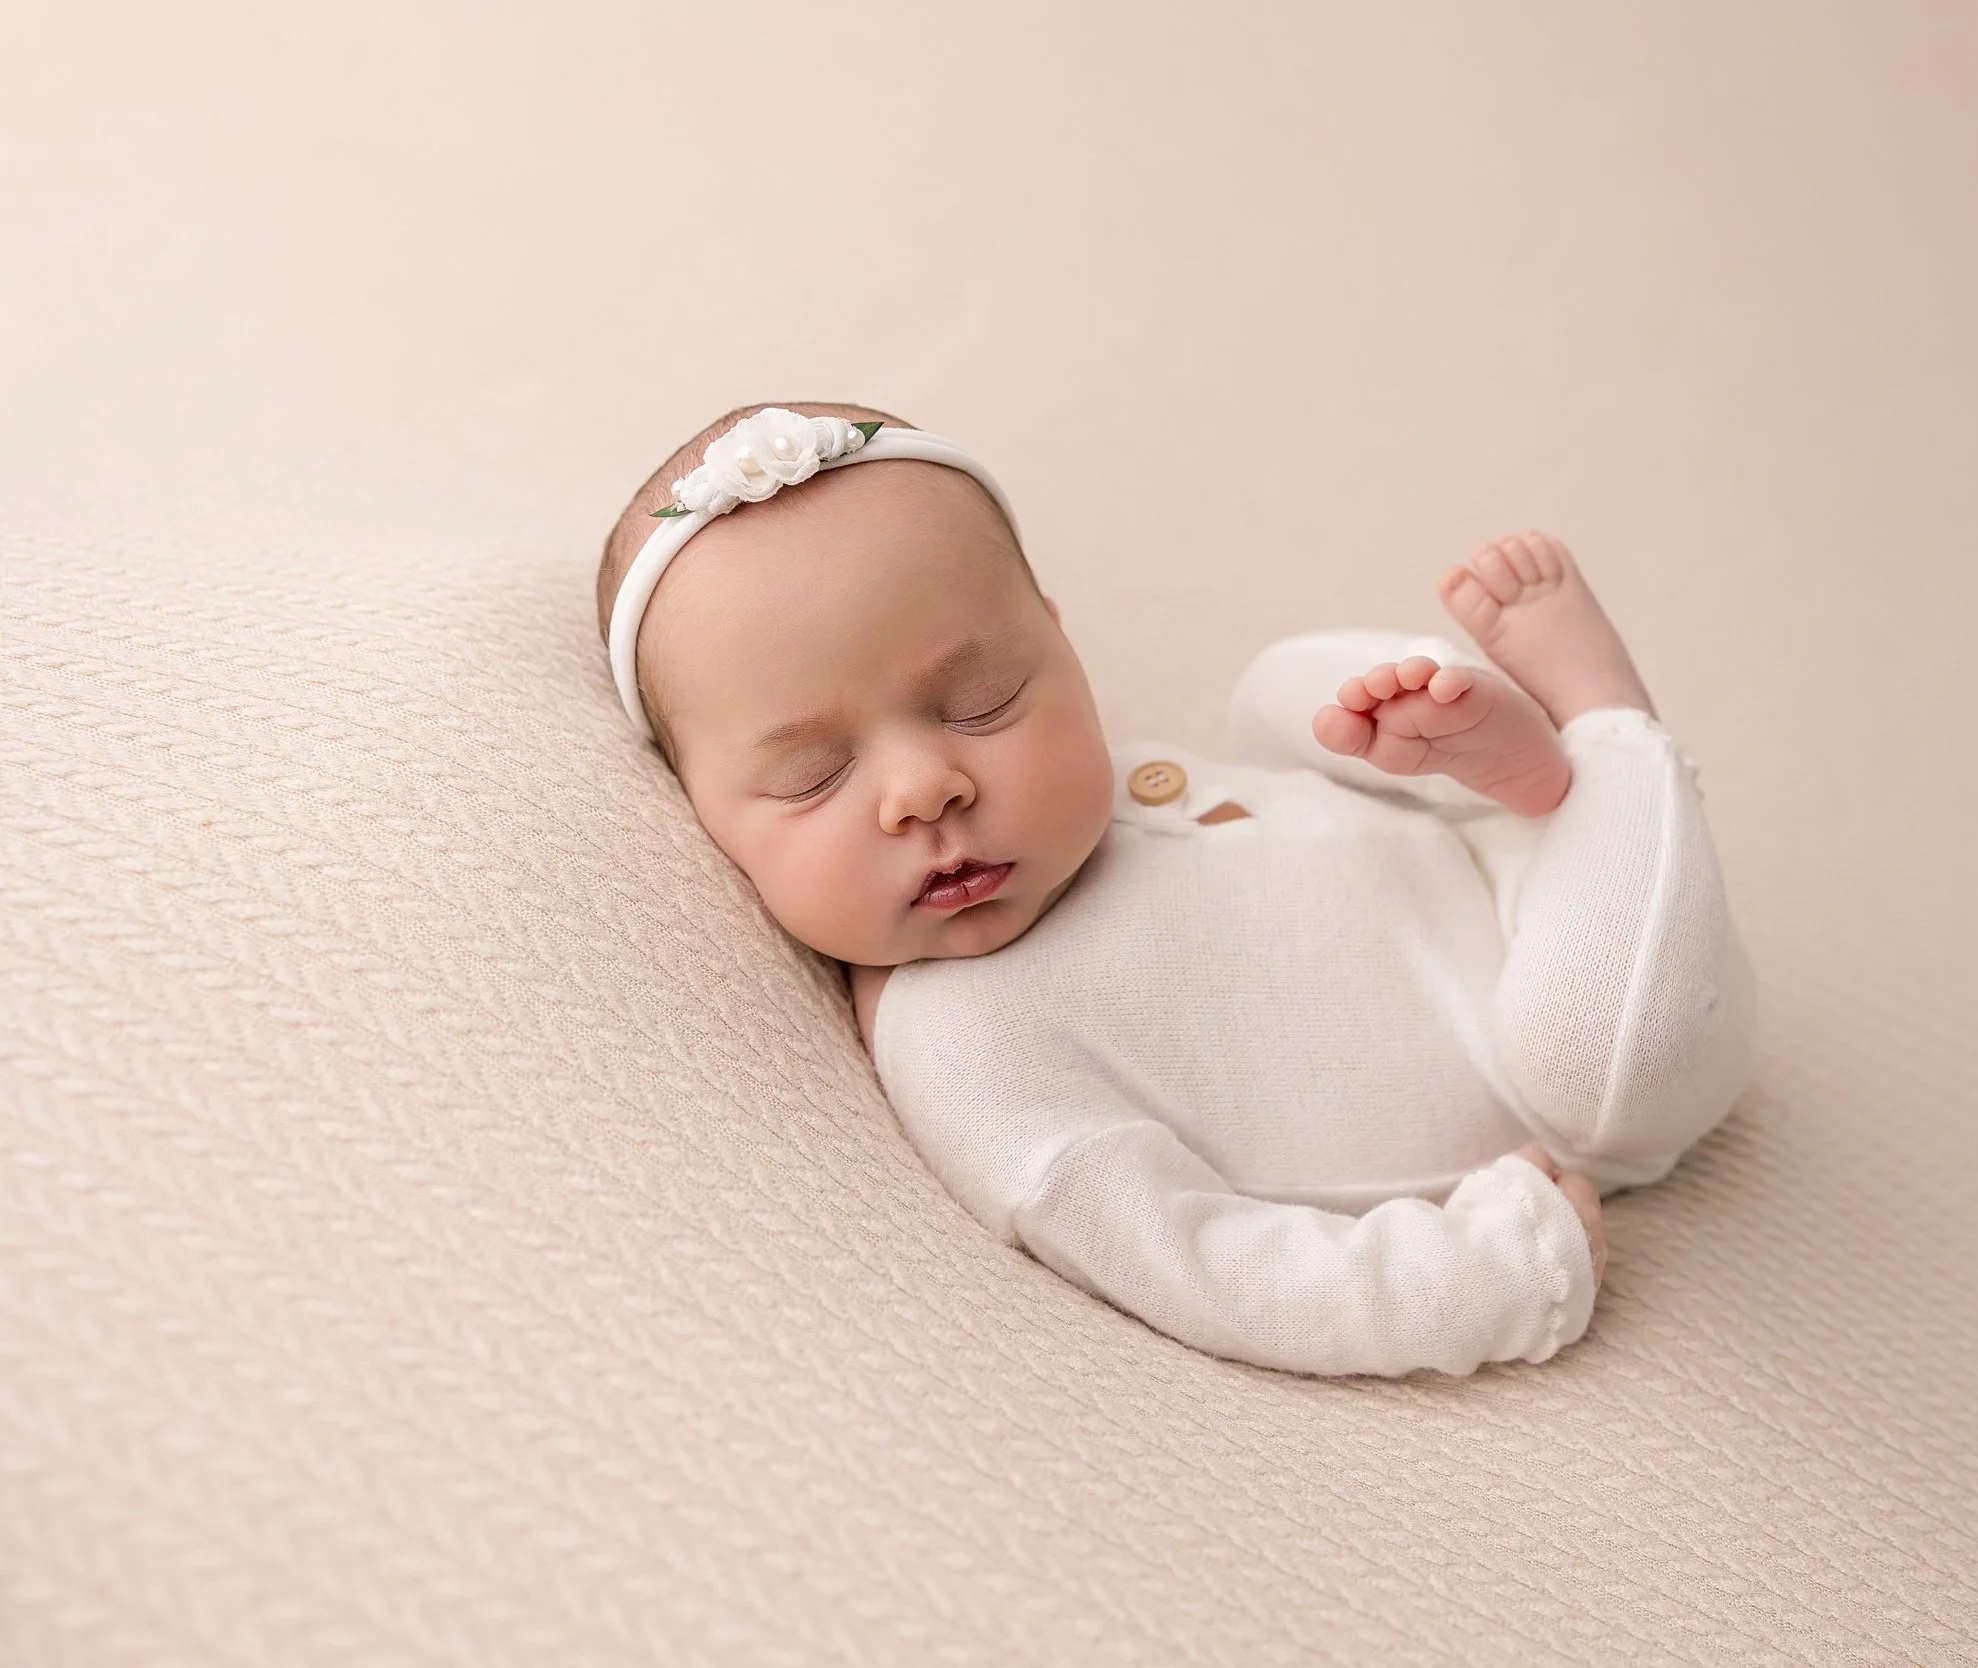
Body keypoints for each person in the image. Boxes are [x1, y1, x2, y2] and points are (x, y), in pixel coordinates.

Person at [595, 403, 1754, 1377]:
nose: (925, 788)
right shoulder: (967, 1044)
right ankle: (1606, 725)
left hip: (1480, 861)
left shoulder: (1092, 801)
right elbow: (1209, 1265)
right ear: (702, 813)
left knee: (1277, 697)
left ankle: (1483, 755)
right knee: (1615, 1054)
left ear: (1059, 644)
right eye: (815, 774)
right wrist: (1495, 1273)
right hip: (1540, 1056)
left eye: (983, 704)